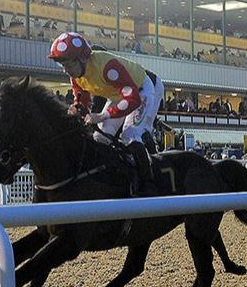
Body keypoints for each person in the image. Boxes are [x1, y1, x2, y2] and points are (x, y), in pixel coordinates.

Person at [48, 32, 165, 194]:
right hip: (118, 94)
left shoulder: (107, 67)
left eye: (68, 65)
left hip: (141, 91)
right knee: (100, 137)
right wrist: (77, 108)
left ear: (82, 59)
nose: (65, 71)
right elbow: (83, 101)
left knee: (130, 135)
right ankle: (115, 178)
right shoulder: (76, 76)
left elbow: (133, 99)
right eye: (63, 66)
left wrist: (103, 116)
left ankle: (149, 184)